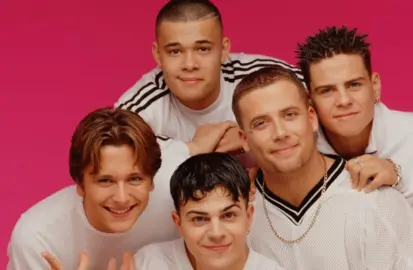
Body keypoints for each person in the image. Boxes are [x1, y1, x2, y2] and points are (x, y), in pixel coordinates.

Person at [295, 26, 413, 270]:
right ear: (309, 100)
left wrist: (400, 181)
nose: (344, 100)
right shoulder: (299, 153)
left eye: (354, 85)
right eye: (327, 91)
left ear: (375, 86)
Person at [232, 65, 413, 269]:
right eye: (261, 123)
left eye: (290, 115)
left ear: (312, 118)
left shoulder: (373, 201)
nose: (280, 133)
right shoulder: (235, 219)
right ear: (244, 139)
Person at [114, 0, 303, 165]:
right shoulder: (141, 109)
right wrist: (192, 149)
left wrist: (251, 134)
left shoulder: (262, 77)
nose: (189, 65)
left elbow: (325, 103)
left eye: (203, 49)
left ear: (223, 49)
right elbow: (110, 164)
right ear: (158, 54)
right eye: (175, 51)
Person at [7, 108, 188, 269]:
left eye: (134, 179)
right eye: (105, 181)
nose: (122, 198)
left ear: (152, 181)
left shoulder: (179, 195)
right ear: (80, 185)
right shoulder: (38, 239)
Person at [134, 152, 284, 270]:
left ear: (249, 216)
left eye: (229, 215)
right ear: (178, 223)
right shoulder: (146, 263)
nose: (216, 233)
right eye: (199, 219)